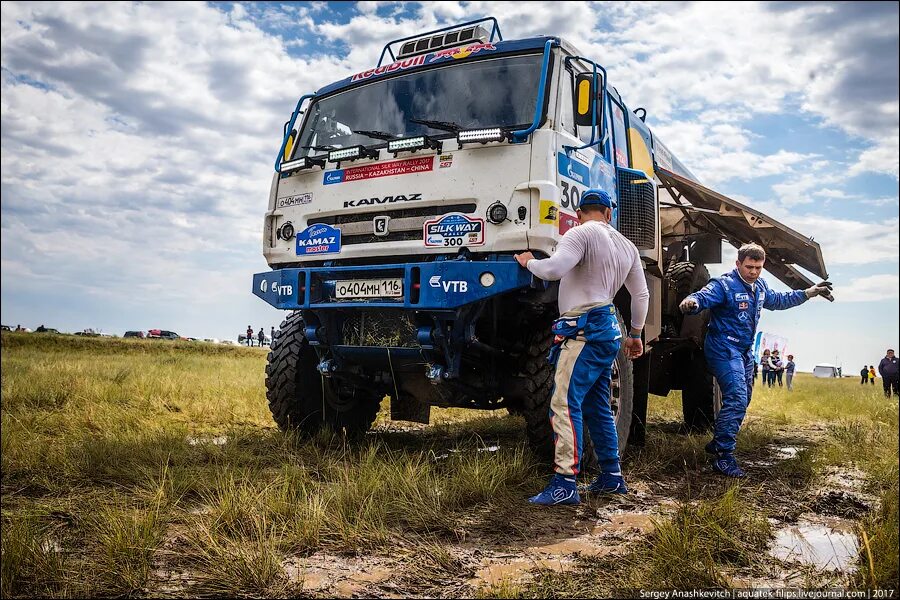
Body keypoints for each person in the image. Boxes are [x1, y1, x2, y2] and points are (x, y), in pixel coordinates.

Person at [514, 189, 649, 505]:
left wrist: (529, 260)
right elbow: (641, 296)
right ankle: (611, 477)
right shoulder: (627, 246)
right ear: (609, 213)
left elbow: (553, 270)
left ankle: (564, 482)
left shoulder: (579, 233)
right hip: (608, 330)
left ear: (578, 212)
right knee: (597, 406)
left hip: (582, 330)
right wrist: (636, 335)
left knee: (563, 402)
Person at [679, 242, 832, 478]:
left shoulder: (759, 285)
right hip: (723, 347)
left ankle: (719, 440)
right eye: (749, 267)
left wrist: (808, 293)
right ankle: (723, 457)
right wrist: (692, 303)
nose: (753, 272)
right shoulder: (724, 284)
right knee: (737, 397)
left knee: (745, 397)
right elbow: (702, 296)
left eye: (758, 267)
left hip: (744, 350)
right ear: (738, 263)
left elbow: (778, 300)